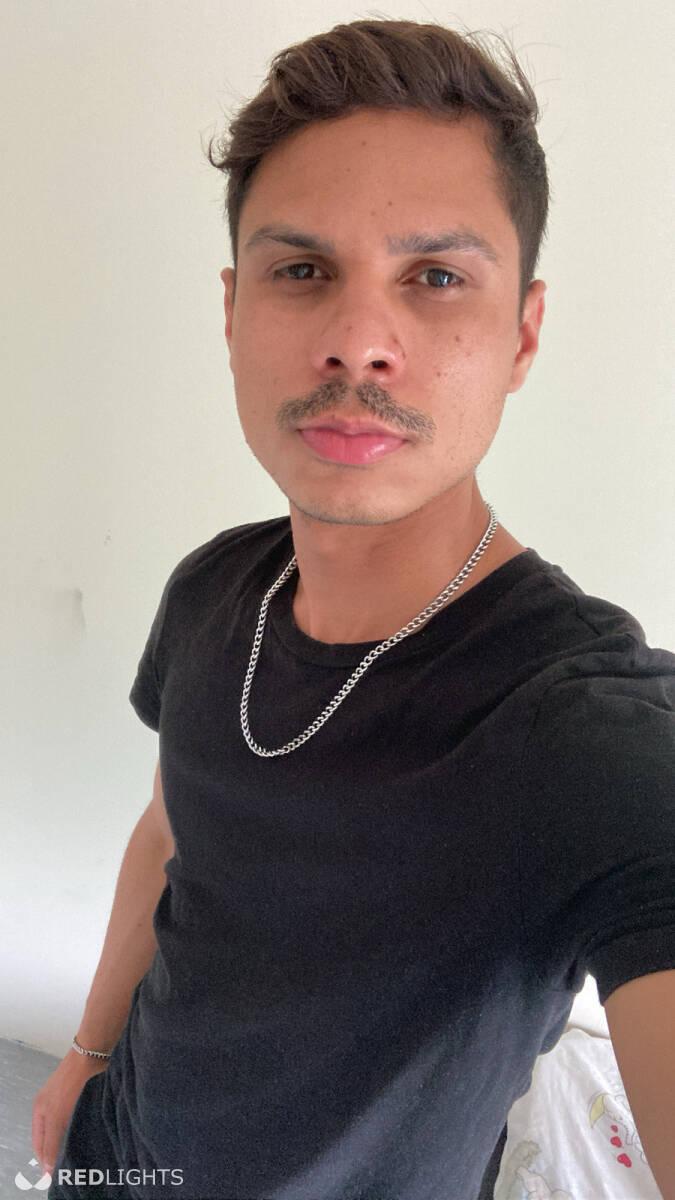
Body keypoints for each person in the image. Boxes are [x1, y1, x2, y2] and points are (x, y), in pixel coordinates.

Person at [34, 18, 675, 1200]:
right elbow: (170, 832)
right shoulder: (211, 589)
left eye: (436, 277)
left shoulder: (587, 732)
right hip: (122, 1151)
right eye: (302, 271)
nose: (356, 343)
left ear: (523, 334)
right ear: (234, 310)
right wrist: (86, 1057)